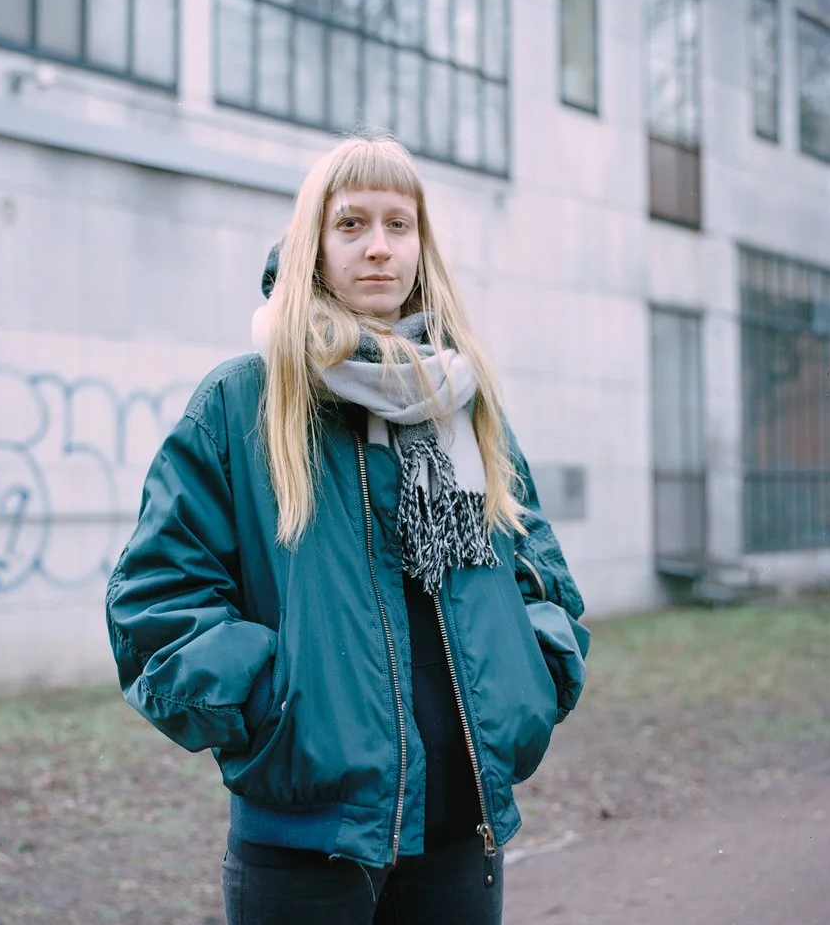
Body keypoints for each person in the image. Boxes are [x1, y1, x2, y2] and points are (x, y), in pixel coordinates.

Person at [105, 135, 590, 924]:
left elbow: (537, 573)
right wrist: (272, 706)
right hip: (305, 841)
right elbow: (156, 599)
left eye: (399, 226)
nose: (377, 248)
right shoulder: (244, 401)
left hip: (460, 826)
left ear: (421, 246)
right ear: (314, 245)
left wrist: (538, 672)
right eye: (352, 224)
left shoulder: (462, 398)